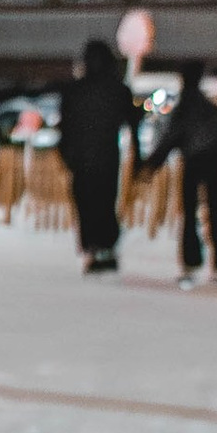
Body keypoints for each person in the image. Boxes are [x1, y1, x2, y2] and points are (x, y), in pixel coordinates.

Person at [56, 37, 139, 273]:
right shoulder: (118, 90)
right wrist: (139, 157)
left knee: (86, 203)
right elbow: (134, 123)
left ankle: (93, 247)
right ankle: (106, 247)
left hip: (81, 158)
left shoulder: (74, 90)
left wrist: (66, 153)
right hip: (107, 156)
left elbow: (65, 126)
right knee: (105, 201)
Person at [148, 56, 217, 284]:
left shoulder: (185, 106)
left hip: (194, 161)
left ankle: (191, 261)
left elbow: (171, 137)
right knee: (215, 212)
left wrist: (152, 164)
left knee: (189, 213)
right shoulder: (211, 107)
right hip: (214, 162)